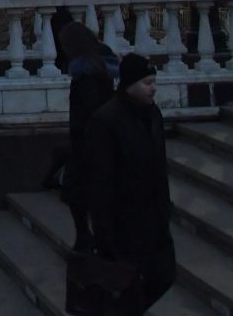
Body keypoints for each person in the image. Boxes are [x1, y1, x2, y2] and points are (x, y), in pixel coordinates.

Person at [81, 54, 176, 313]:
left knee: (165, 275)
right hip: (124, 222)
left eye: (154, 81)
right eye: (147, 82)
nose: (153, 87)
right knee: (127, 288)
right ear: (129, 84)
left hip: (154, 217)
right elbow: (100, 181)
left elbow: (160, 166)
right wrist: (104, 232)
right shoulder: (106, 120)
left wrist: (164, 208)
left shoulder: (153, 114)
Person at [58, 21, 118, 252]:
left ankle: (87, 238)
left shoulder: (86, 76)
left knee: (79, 191)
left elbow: (88, 114)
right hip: (92, 144)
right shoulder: (100, 68)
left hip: (89, 145)